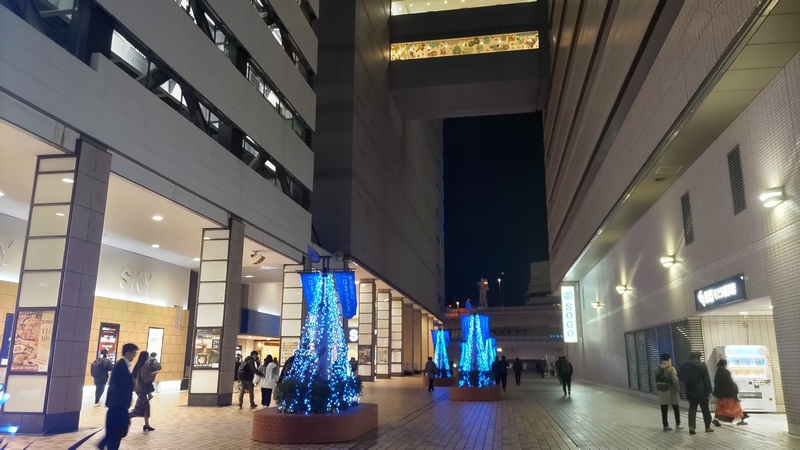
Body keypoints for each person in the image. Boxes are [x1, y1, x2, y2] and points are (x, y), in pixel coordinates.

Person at [98, 343, 138, 450]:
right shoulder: (120, 366)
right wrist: (119, 403)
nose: (134, 356)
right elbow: (117, 386)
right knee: (117, 433)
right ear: (127, 352)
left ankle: (103, 444)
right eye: (133, 353)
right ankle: (104, 444)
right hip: (118, 406)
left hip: (119, 405)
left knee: (115, 432)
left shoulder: (123, 366)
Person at [679, 351, 714, 434]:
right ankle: (707, 426)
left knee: (692, 408)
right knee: (705, 409)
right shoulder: (702, 365)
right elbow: (706, 379)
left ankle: (692, 426)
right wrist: (709, 391)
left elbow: (680, 377)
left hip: (690, 389)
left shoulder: (685, 365)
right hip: (701, 390)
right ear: (699, 357)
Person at [712, 359, 748, 427]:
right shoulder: (726, 372)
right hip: (729, 393)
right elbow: (730, 382)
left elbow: (717, 384)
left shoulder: (718, 372)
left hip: (722, 393)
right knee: (736, 406)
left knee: (721, 407)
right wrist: (735, 389)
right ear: (725, 364)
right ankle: (738, 420)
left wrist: (716, 393)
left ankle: (716, 419)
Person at [129, 351, 156, 432]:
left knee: (146, 407)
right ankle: (125, 417)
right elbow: (146, 379)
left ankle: (147, 425)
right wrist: (153, 375)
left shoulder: (137, 366)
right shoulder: (145, 366)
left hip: (138, 388)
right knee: (138, 408)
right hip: (142, 389)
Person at [655, 353, 681, 431]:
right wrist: (678, 389)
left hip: (662, 390)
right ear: (669, 359)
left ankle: (665, 425)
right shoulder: (671, 369)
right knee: (675, 407)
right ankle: (678, 424)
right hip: (671, 390)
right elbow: (675, 380)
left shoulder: (657, 369)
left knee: (664, 408)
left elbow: (656, 379)